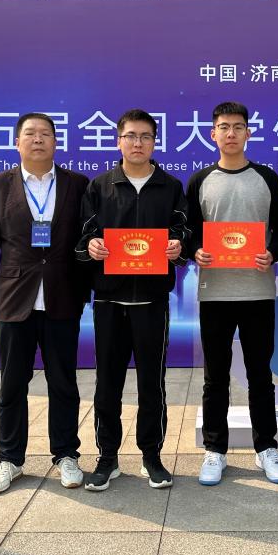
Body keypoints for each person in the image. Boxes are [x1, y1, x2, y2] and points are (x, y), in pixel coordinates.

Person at [0, 112, 90, 494]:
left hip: (62, 298)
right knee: (11, 385)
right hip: (13, 299)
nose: (38, 139)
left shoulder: (77, 185)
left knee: (64, 383)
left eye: (45, 134)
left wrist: (84, 292)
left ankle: (66, 455)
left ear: (56, 142)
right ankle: (9, 459)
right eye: (30, 133)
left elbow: (85, 243)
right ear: (17, 142)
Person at [76, 108, 189, 491]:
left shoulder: (170, 186)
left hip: (153, 301)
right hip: (109, 301)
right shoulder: (100, 186)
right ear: (119, 140)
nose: (138, 143)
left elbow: (184, 230)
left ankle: (151, 456)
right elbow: (83, 236)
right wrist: (91, 247)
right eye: (131, 136)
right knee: (107, 382)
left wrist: (178, 246)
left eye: (145, 136)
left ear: (154, 142)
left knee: (152, 384)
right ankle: (107, 457)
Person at [186, 101, 278, 486]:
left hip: (258, 291)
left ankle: (266, 447)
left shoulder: (266, 177)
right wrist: (195, 250)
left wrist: (273, 253)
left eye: (238, 127)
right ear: (212, 133)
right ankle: (215, 450)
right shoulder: (200, 180)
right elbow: (189, 230)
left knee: (260, 374)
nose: (231, 133)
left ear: (248, 133)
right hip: (215, 293)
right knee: (215, 377)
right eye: (224, 127)